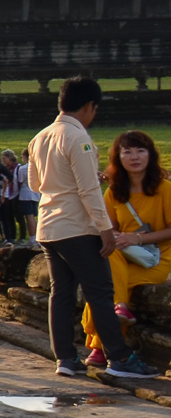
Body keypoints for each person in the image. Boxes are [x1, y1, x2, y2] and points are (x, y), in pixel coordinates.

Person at [28, 76, 157, 379]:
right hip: (77, 227)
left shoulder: (40, 137)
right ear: (89, 106)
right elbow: (88, 191)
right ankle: (120, 357)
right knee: (100, 292)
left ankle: (65, 357)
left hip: (49, 225)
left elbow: (35, 184)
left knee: (61, 293)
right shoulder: (79, 138)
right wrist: (105, 229)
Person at [84, 130, 171, 367]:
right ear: (118, 157)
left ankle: (98, 345)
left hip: (156, 258)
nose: (134, 157)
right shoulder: (114, 192)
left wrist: (137, 238)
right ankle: (120, 311)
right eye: (127, 152)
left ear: (151, 155)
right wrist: (119, 237)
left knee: (104, 289)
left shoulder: (165, 188)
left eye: (140, 151)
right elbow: (108, 229)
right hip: (122, 256)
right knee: (108, 263)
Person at [0, 149, 27, 240]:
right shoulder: (5, 169)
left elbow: (19, 181)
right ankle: (12, 236)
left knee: (19, 217)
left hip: (16, 194)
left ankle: (22, 237)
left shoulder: (18, 168)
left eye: (4, 158)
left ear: (10, 158)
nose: (3, 160)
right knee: (9, 217)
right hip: (8, 195)